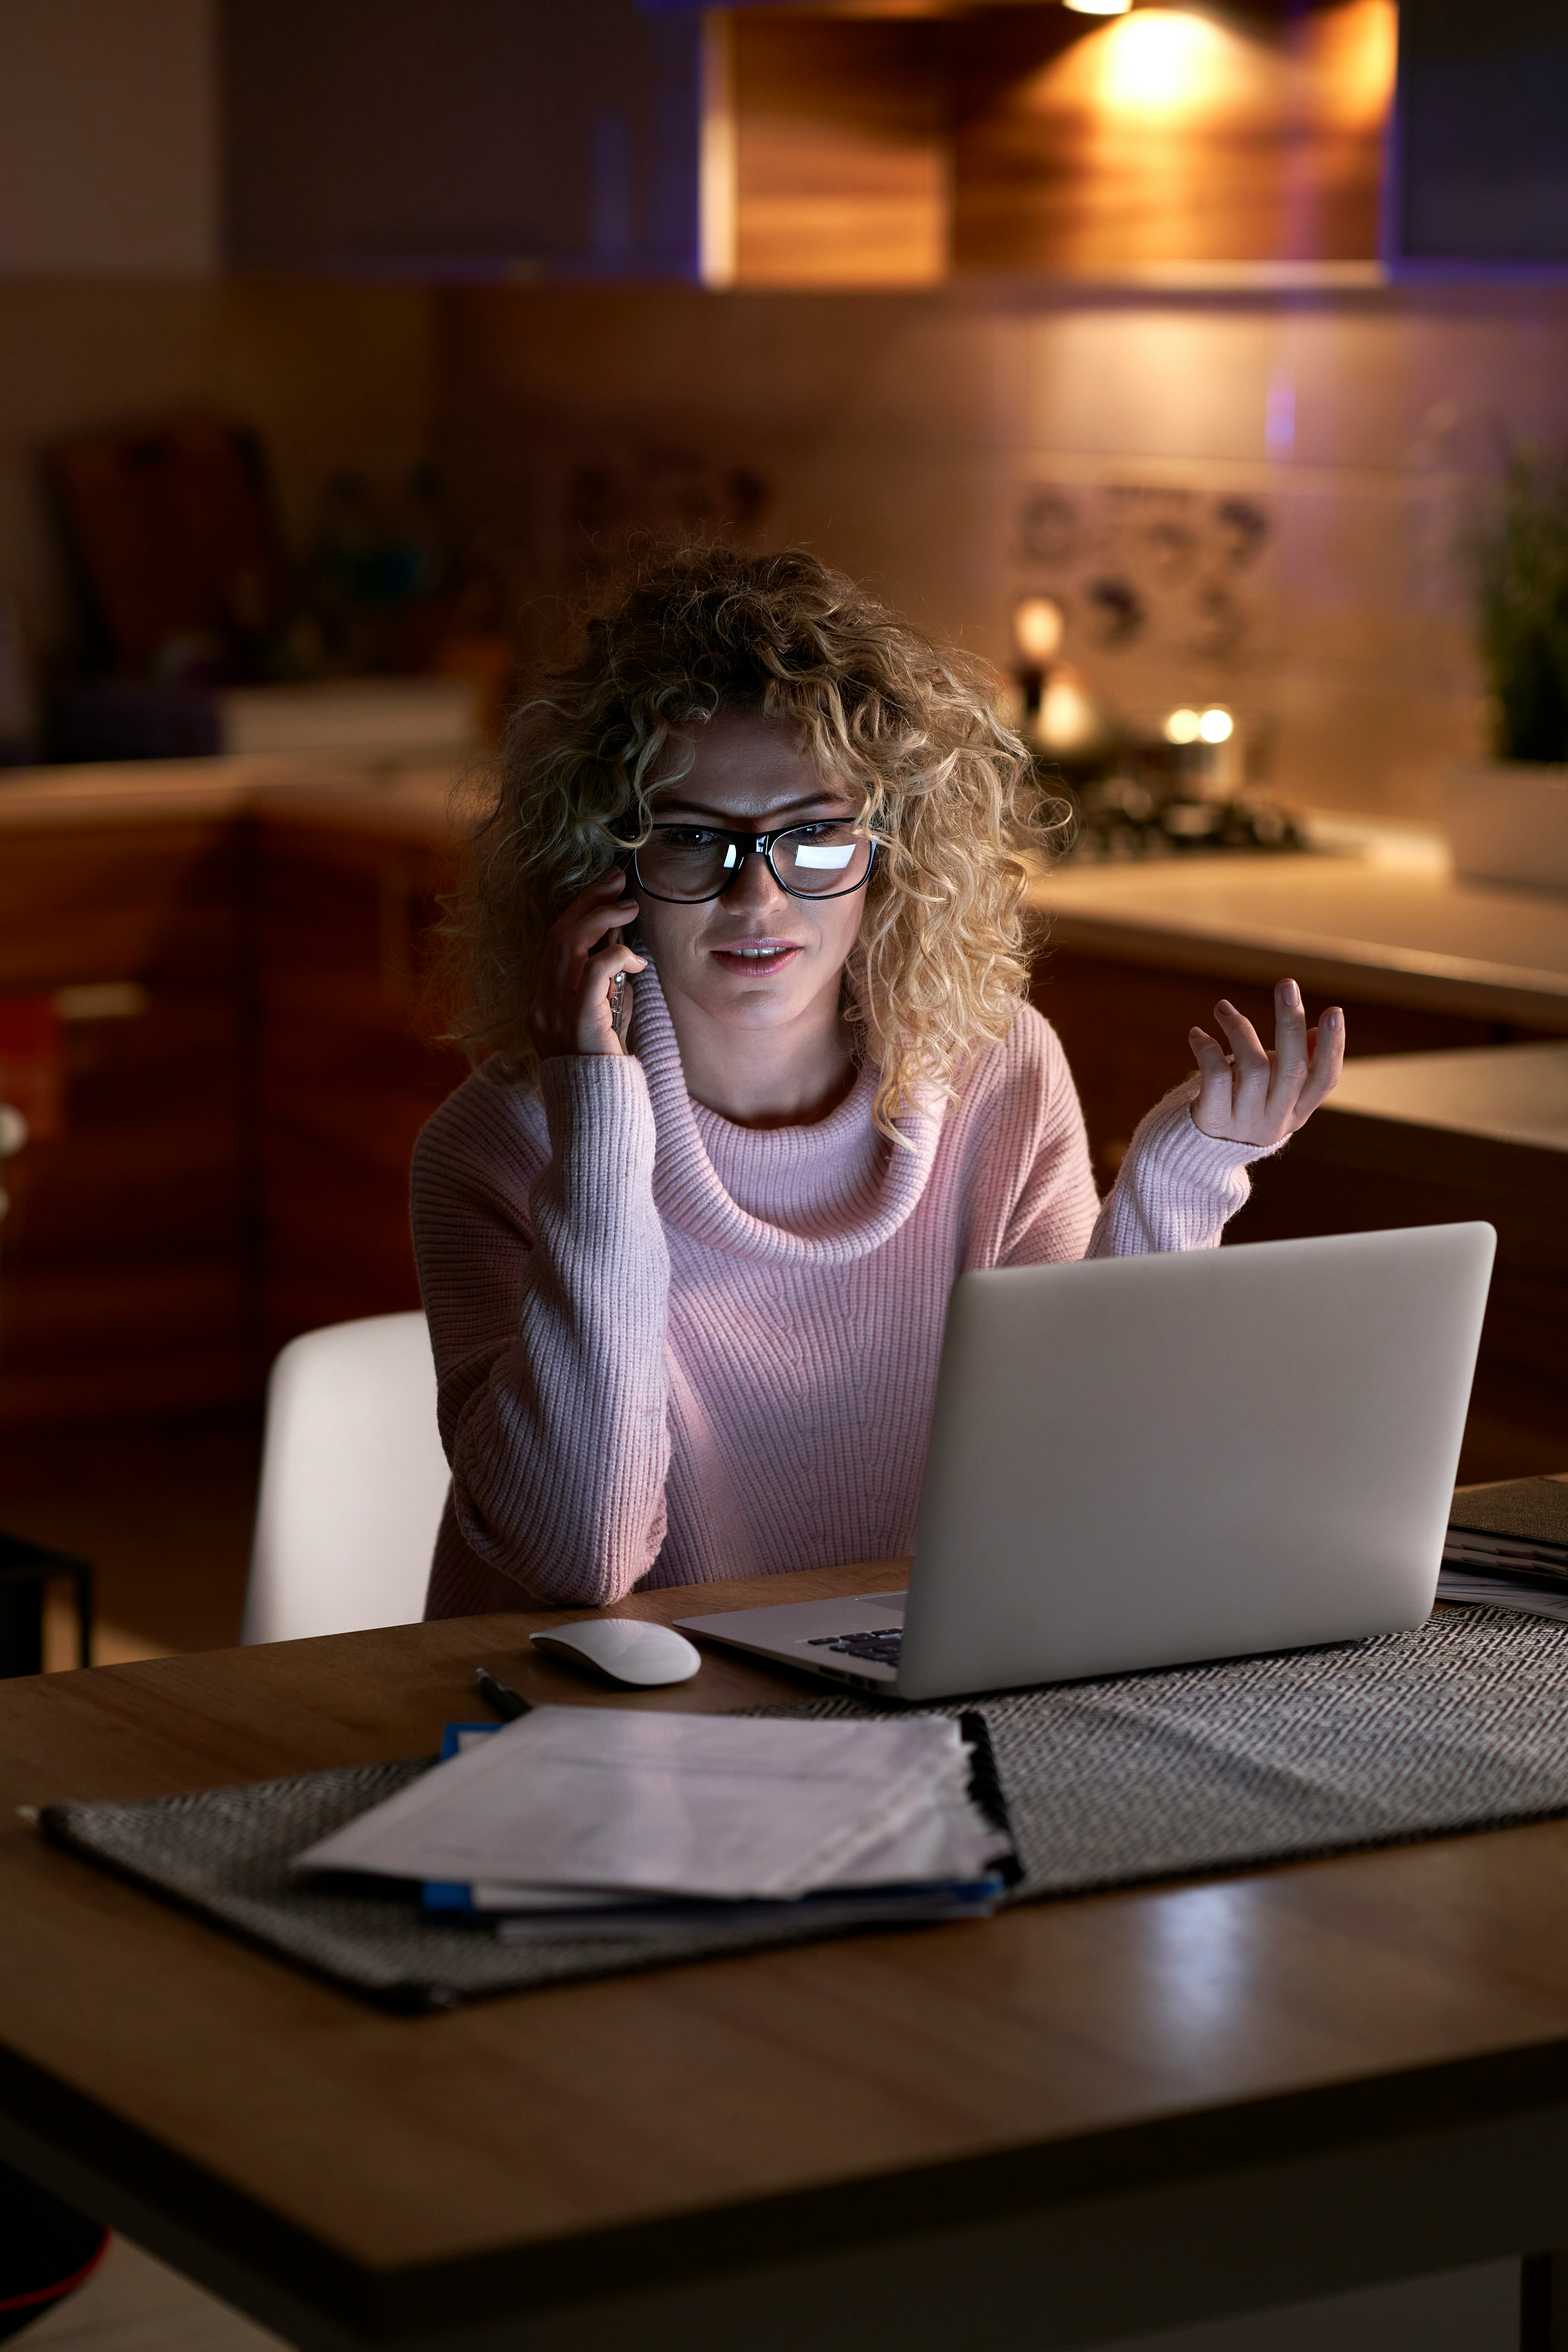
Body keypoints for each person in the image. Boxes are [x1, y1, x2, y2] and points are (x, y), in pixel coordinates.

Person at [413, 548, 1344, 1617]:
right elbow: (579, 1555)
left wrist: (1180, 1181)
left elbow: (1082, 1478)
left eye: (813, 835)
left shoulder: (998, 1074)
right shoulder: (495, 1148)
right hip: (588, 1701)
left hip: (903, 1674)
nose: (758, 900)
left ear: (890, 849)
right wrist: (599, 1128)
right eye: (693, 839)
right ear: (600, 862)